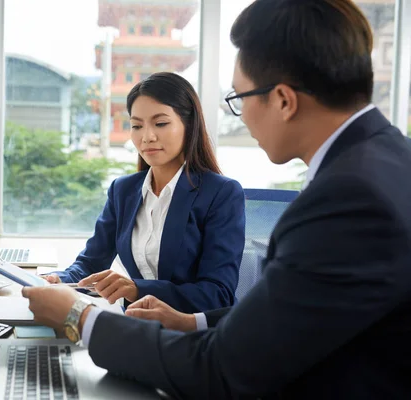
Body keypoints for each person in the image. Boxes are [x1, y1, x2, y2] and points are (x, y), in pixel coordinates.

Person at [22, 0, 411, 398]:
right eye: (137, 125)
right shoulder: (386, 163)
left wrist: (79, 317)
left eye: (240, 99)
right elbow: (292, 313)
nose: (240, 115)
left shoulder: (350, 198)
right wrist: (193, 324)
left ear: (282, 100)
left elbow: (221, 370)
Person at [44, 72, 245, 313]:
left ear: (189, 124)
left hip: (192, 333)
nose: (147, 137)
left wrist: (137, 288)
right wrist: (59, 278)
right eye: (136, 125)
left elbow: (218, 294)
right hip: (137, 324)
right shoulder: (123, 190)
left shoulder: (221, 193)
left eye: (160, 123)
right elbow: (90, 263)